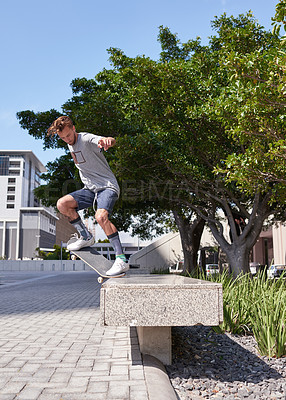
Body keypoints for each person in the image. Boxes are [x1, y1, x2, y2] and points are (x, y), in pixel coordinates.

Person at [47, 115, 129, 276]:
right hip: (90, 190)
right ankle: (85, 236)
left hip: (107, 187)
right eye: (63, 138)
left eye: (69, 136)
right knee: (62, 204)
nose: (67, 140)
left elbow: (108, 140)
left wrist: (107, 141)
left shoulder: (85, 138)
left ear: (74, 129)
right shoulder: (69, 144)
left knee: (101, 217)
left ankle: (121, 259)